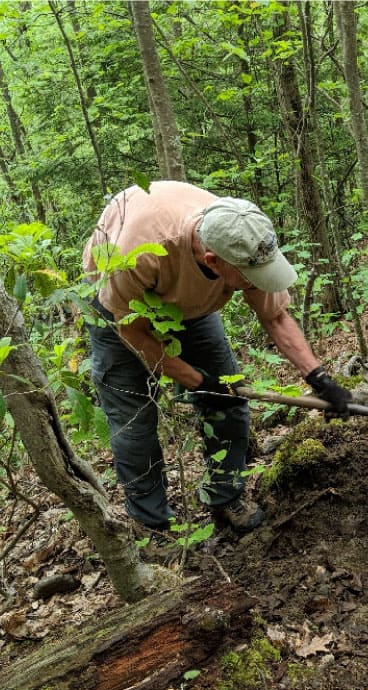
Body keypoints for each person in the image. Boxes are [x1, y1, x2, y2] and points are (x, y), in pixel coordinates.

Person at [83, 181, 352, 535]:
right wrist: (198, 381)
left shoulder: (242, 236)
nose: (257, 281)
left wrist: (319, 378)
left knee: (229, 402)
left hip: (190, 306)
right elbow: (132, 334)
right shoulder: (138, 253)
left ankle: (224, 497)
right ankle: (154, 526)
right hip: (121, 313)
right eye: (250, 278)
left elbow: (276, 317)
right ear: (213, 261)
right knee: (135, 426)